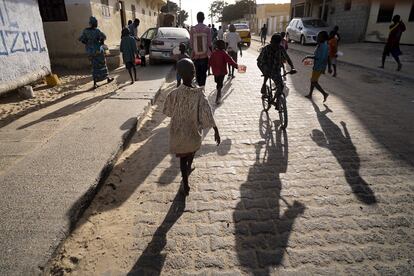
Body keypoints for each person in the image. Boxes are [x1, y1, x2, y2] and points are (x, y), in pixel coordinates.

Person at [163, 58, 221, 196]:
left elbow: (168, 111)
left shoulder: (174, 93)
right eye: (193, 69)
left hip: (178, 132)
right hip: (193, 131)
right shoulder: (199, 94)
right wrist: (215, 130)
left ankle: (185, 180)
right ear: (193, 73)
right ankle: (187, 174)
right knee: (192, 149)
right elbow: (207, 113)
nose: (194, 70)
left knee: (183, 157)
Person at [257, 33, 295, 105]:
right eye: (274, 44)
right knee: (267, 73)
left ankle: (275, 100)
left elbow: (287, 58)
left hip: (276, 69)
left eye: (277, 44)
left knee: (280, 86)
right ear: (271, 42)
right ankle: (264, 84)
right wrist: (264, 71)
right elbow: (259, 62)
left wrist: (292, 67)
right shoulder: (266, 49)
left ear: (279, 43)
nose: (275, 47)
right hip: (266, 67)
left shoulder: (281, 48)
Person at [79, 16, 114, 89]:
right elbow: (104, 37)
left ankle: (95, 83)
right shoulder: (97, 31)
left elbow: (81, 39)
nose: (97, 24)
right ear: (94, 23)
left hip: (90, 51)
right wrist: (100, 43)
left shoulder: (85, 31)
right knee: (103, 64)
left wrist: (88, 44)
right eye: (96, 23)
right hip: (98, 50)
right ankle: (107, 78)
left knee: (94, 66)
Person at [302, 31, 329, 102]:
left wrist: (307, 56)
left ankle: (324, 93)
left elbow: (318, 57)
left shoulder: (322, 46)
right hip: (318, 66)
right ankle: (310, 94)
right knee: (313, 80)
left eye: (319, 36)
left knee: (313, 81)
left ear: (322, 38)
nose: (317, 37)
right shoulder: (323, 45)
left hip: (319, 66)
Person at [209, 40, 238, 104]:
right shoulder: (224, 53)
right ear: (222, 46)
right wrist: (236, 66)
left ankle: (218, 95)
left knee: (218, 83)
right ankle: (218, 93)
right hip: (222, 71)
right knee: (219, 83)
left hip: (215, 72)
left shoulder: (213, 53)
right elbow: (230, 60)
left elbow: (210, 61)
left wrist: (207, 67)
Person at [190, 12, 212, 86]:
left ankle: (199, 89)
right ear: (204, 18)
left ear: (197, 19)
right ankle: (202, 89)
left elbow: (191, 44)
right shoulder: (207, 29)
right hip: (205, 56)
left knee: (198, 74)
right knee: (203, 74)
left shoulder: (192, 29)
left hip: (195, 56)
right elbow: (209, 44)